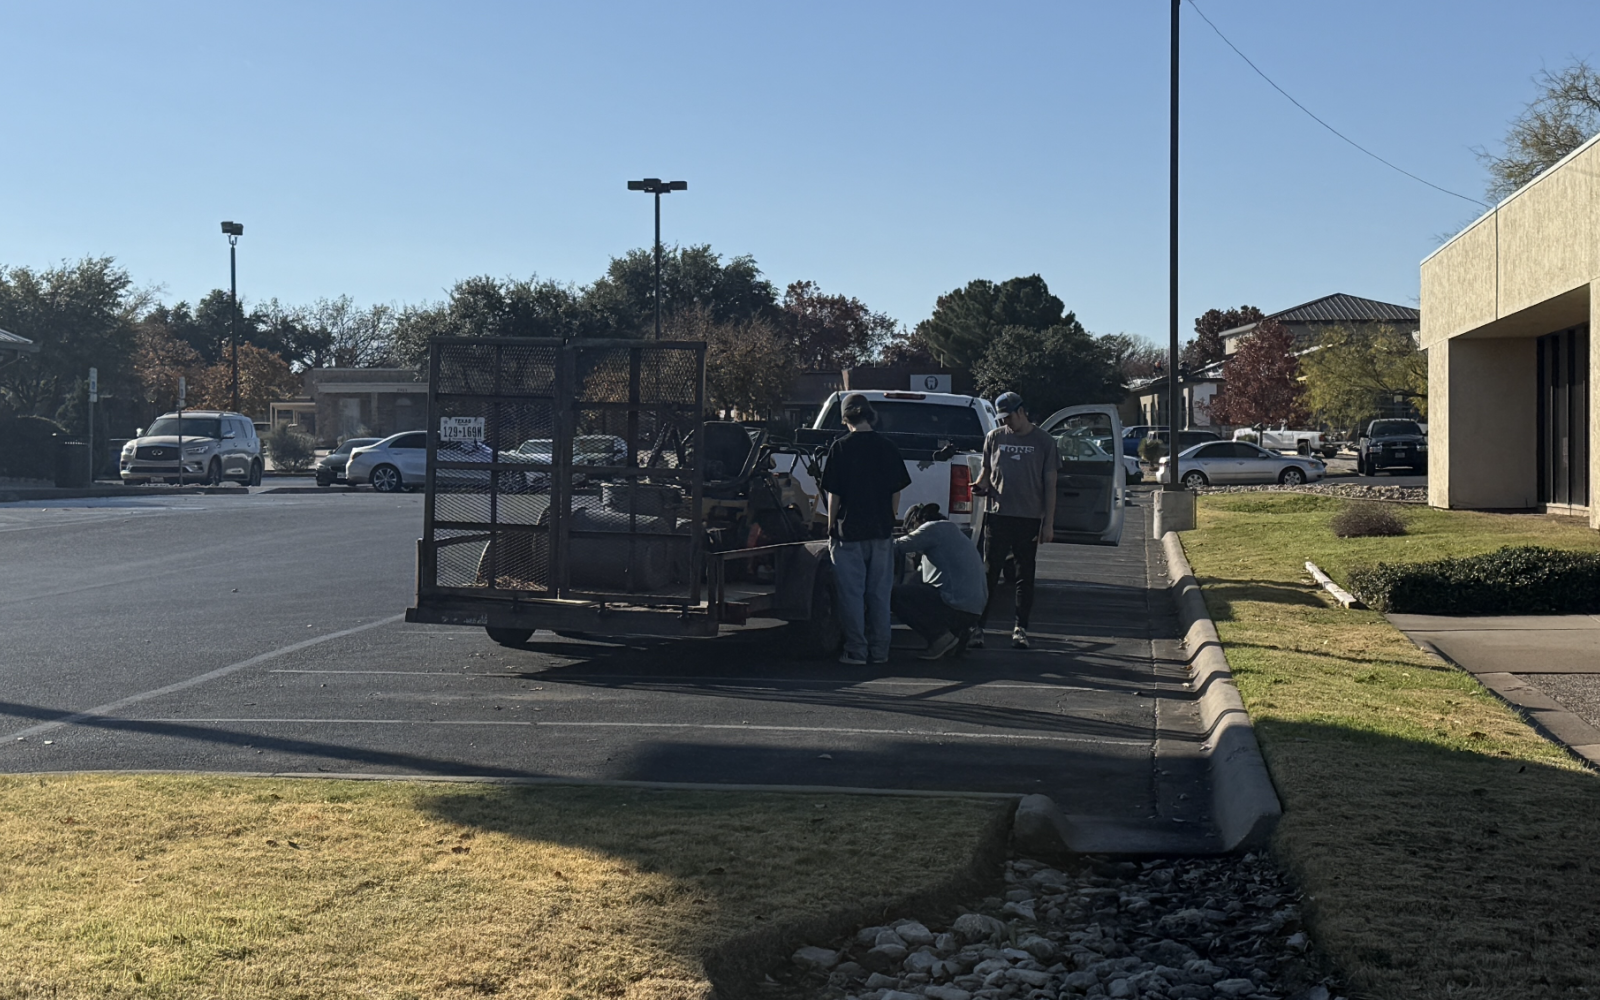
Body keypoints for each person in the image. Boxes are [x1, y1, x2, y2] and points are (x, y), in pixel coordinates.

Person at [819, 393, 912, 665]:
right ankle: (881, 650)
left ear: (847, 418)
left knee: (852, 595)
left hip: (849, 531)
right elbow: (896, 491)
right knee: (879, 594)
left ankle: (856, 650)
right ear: (870, 416)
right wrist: (890, 516)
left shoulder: (840, 448)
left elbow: (834, 495)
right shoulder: (888, 447)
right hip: (881, 530)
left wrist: (830, 524)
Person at [971, 391, 1058, 649]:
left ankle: (1021, 627)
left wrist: (1048, 523)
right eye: (1002, 418)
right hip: (997, 514)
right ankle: (977, 626)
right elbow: (987, 472)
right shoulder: (994, 438)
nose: (1005, 422)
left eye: (1008, 417)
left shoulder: (1044, 441)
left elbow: (1050, 484)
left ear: (1022, 412)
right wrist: (978, 486)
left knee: (1024, 574)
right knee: (989, 572)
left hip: (1028, 517)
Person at [892, 503, 988, 660]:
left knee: (893, 595)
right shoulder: (952, 532)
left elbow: (897, 546)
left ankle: (939, 637)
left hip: (956, 605)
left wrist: (873, 543)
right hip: (974, 610)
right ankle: (959, 636)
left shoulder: (932, 529)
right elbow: (918, 580)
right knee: (914, 590)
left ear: (917, 521)